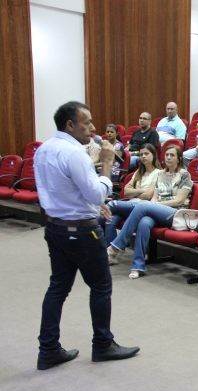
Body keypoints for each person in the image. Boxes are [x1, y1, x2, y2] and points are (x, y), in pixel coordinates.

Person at [33, 101, 140, 369]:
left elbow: (62, 190)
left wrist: (93, 206)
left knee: (58, 287)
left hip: (55, 226)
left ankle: (48, 350)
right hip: (81, 231)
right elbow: (96, 191)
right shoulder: (74, 153)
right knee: (102, 286)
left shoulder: (43, 149)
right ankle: (103, 345)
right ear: (70, 124)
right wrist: (105, 163)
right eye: (87, 122)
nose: (93, 128)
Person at [107, 146, 193, 279]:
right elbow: (155, 196)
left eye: (172, 155)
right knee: (144, 222)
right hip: (157, 210)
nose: (168, 157)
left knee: (143, 206)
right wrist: (153, 205)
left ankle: (116, 246)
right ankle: (138, 266)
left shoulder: (184, 174)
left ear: (179, 158)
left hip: (174, 213)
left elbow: (179, 200)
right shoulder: (161, 174)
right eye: (167, 155)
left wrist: (153, 205)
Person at [105, 144, 162, 244]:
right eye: (141, 154)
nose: (143, 156)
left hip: (143, 208)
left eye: (146, 154)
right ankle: (109, 252)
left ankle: (109, 206)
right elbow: (126, 192)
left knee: (111, 206)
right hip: (130, 205)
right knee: (110, 219)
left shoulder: (159, 173)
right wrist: (141, 191)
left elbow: (148, 195)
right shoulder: (138, 172)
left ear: (153, 155)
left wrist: (134, 192)